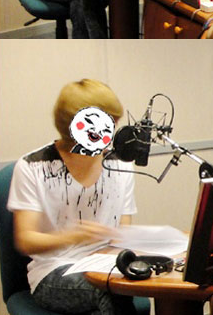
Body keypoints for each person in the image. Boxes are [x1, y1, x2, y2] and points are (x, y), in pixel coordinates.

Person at [7, 79, 138, 314]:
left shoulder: (120, 164)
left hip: (107, 265)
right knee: (110, 290)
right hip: (54, 271)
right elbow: (25, 240)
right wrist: (73, 237)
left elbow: (124, 230)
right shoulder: (33, 166)